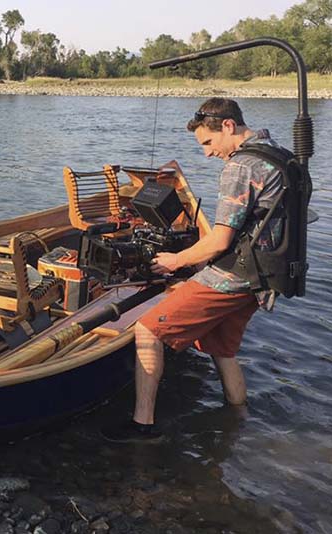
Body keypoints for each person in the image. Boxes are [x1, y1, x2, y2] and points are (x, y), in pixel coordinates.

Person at [102, 97, 287, 442]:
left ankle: (143, 426)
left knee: (147, 330)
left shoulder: (241, 166)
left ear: (228, 126)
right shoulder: (279, 155)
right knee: (221, 347)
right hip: (266, 276)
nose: (207, 153)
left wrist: (176, 260)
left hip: (236, 275)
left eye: (208, 142)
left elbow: (218, 242)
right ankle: (238, 417)